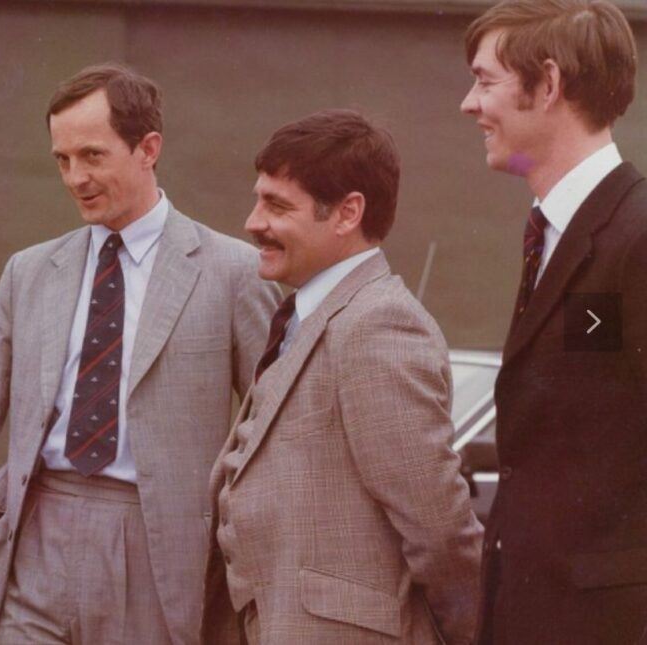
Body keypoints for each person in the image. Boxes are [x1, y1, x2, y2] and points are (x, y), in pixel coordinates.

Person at [0, 63, 280, 644]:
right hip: (32, 536)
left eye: (93, 156)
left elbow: (273, 435)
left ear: (147, 148)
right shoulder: (28, 273)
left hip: (157, 552)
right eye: (62, 160)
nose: (76, 177)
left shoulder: (231, 272)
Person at [201, 110, 483, 644]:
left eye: (277, 205)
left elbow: (438, 526)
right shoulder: (309, 315)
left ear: (348, 212)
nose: (252, 222)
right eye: (259, 199)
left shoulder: (378, 323)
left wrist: (480, 635)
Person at [459, 1, 647, 642]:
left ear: (548, 84)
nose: (468, 104)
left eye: (486, 82)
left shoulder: (637, 236)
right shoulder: (552, 235)